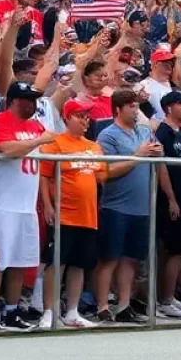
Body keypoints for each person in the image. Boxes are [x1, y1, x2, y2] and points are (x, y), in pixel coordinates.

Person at [0, 81, 56, 331]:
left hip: (25, 203)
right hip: (1, 202)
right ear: (14, 100)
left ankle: (12, 311)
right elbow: (8, 148)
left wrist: (39, 138)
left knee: (20, 261)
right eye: (28, 99)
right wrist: (38, 140)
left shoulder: (35, 125)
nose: (33, 104)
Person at [93, 87, 163, 324]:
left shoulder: (144, 132)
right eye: (131, 106)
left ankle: (124, 305)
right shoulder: (108, 136)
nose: (136, 110)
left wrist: (156, 152)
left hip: (141, 206)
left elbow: (156, 154)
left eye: (137, 106)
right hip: (116, 206)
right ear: (118, 109)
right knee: (109, 258)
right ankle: (102, 305)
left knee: (130, 259)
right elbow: (106, 172)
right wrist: (138, 155)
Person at [38, 98, 106, 329]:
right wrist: (48, 205)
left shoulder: (94, 146)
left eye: (87, 117)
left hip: (88, 215)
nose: (85, 121)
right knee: (56, 263)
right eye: (80, 116)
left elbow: (102, 177)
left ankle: (72, 311)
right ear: (67, 118)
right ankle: (49, 311)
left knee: (79, 264)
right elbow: (45, 176)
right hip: (64, 213)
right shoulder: (56, 143)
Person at [153, 89, 181, 319]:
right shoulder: (164, 132)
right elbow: (162, 167)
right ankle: (164, 298)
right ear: (169, 108)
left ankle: (172, 295)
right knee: (173, 251)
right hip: (171, 199)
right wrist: (171, 198)